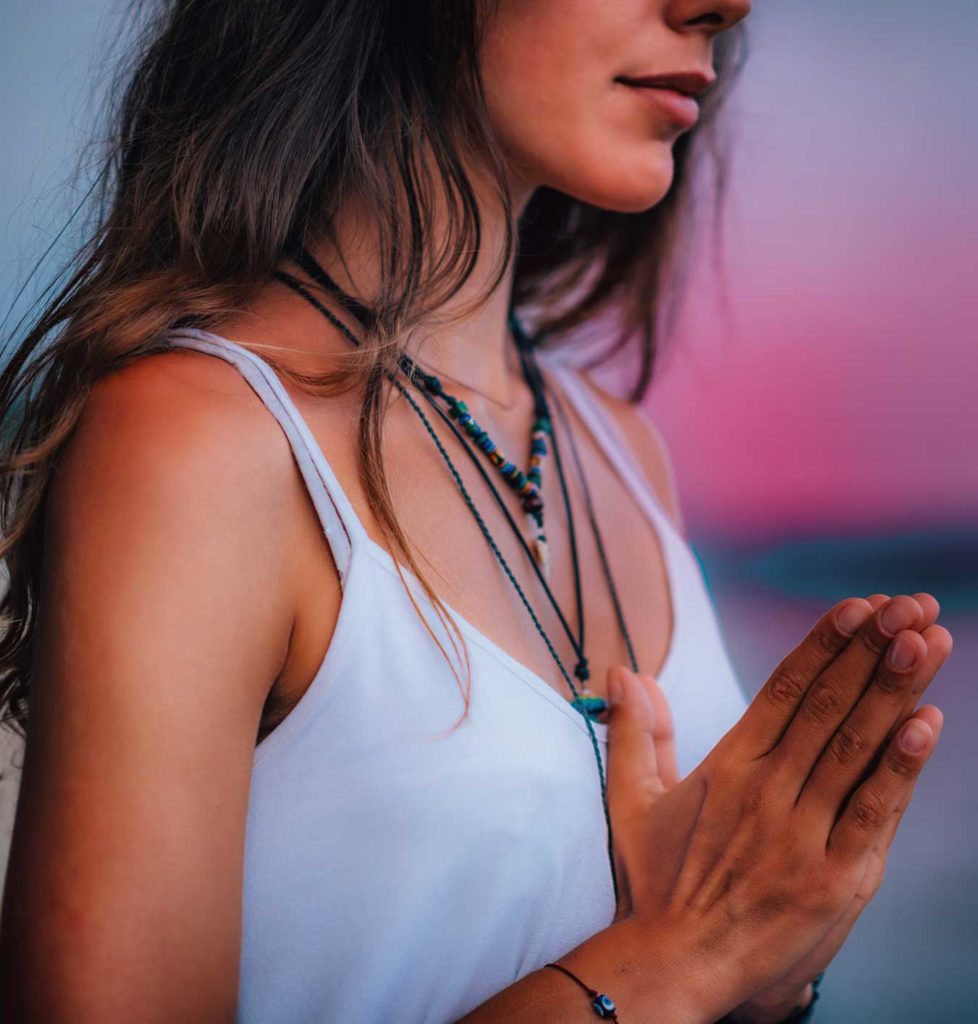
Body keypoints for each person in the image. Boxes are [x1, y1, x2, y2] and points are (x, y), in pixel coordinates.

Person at [0, 1, 953, 1021]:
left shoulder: (621, 450)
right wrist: (682, 956)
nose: (719, 8)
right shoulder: (199, 443)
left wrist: (774, 962)